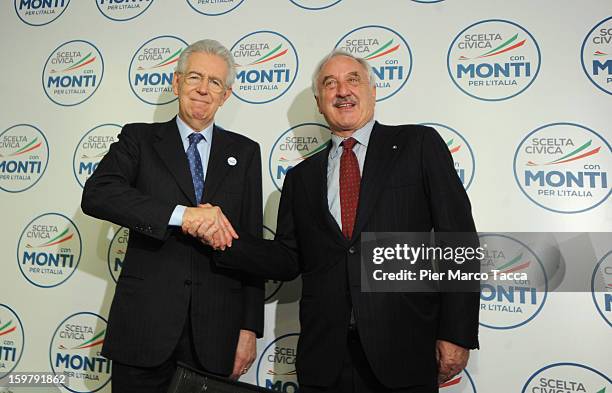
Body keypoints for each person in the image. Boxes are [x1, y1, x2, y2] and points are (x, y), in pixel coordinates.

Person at [203, 50, 480, 393]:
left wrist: (456, 332)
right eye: (329, 84)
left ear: (372, 91)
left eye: (353, 79)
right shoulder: (300, 178)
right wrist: (224, 240)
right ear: (319, 102)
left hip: (404, 351)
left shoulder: (418, 145)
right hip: (325, 359)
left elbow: (459, 240)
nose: (342, 90)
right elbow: (289, 260)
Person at [80, 39, 264, 393]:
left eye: (215, 83)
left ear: (226, 96)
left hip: (215, 336)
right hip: (144, 329)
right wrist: (182, 216)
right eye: (195, 76)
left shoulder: (245, 153)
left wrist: (249, 328)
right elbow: (98, 194)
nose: (203, 89)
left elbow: (251, 247)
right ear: (177, 82)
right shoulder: (139, 139)